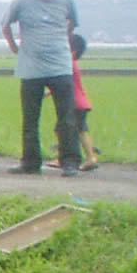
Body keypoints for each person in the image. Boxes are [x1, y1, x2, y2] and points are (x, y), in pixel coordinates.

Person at [2, 0, 81, 176]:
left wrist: (60, 42)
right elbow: (5, 25)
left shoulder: (66, 0)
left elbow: (72, 24)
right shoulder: (22, 1)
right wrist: (15, 48)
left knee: (66, 116)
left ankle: (71, 161)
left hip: (60, 66)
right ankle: (30, 161)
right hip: (31, 67)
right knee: (30, 117)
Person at [50, 32, 99, 171]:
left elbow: (62, 83)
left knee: (64, 129)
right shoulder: (73, 65)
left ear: (73, 51)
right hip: (81, 102)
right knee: (80, 130)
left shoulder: (68, 64)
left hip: (74, 103)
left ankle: (66, 158)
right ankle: (90, 157)